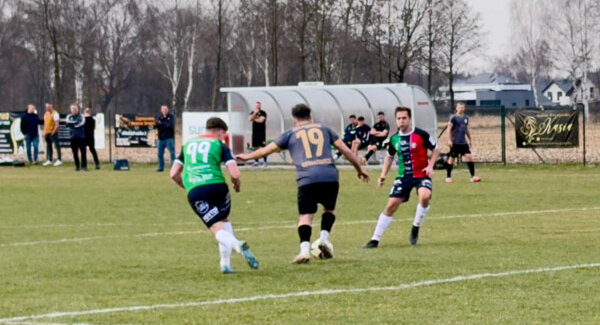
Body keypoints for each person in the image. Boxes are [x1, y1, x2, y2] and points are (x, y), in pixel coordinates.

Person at [239, 103, 370, 263]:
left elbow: (266, 150)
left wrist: (246, 157)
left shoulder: (290, 134)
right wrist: (359, 169)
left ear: (294, 119)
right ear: (310, 116)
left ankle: (304, 251)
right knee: (329, 210)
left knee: (305, 216)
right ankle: (323, 239)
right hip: (329, 175)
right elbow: (347, 151)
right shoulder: (326, 129)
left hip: (307, 178)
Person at [170, 116, 259, 274]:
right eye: (223, 134)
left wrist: (187, 186)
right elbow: (235, 173)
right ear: (219, 132)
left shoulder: (187, 145)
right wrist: (236, 184)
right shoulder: (219, 145)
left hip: (196, 190)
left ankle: (236, 244)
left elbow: (173, 174)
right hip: (218, 187)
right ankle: (225, 264)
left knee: (216, 227)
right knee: (224, 220)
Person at [364, 107, 435, 248]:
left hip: (422, 174)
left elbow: (436, 149)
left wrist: (431, 165)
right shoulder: (394, 139)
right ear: (396, 120)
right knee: (391, 206)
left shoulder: (421, 134)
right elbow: (389, 157)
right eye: (399, 118)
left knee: (425, 196)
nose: (401, 121)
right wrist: (383, 175)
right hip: (404, 176)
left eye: (404, 118)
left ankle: (416, 226)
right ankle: (375, 239)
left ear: (409, 119)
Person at [438, 102, 481, 183]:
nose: (461, 109)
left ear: (464, 109)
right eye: (459, 107)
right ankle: (448, 177)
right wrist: (449, 140)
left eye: (462, 107)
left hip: (463, 142)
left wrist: (469, 139)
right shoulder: (453, 118)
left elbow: (466, 129)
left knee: (469, 157)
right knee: (452, 159)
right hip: (455, 142)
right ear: (456, 108)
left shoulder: (466, 118)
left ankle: (473, 176)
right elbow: (448, 129)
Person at [155, 105, 177, 172]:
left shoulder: (171, 117)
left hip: (169, 138)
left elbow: (169, 125)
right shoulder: (159, 117)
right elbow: (156, 125)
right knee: (160, 154)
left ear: (168, 110)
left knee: (172, 153)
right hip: (161, 139)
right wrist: (163, 124)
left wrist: (161, 124)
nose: (164, 111)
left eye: (165, 109)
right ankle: (161, 167)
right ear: (161, 110)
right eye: (163, 110)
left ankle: (173, 167)